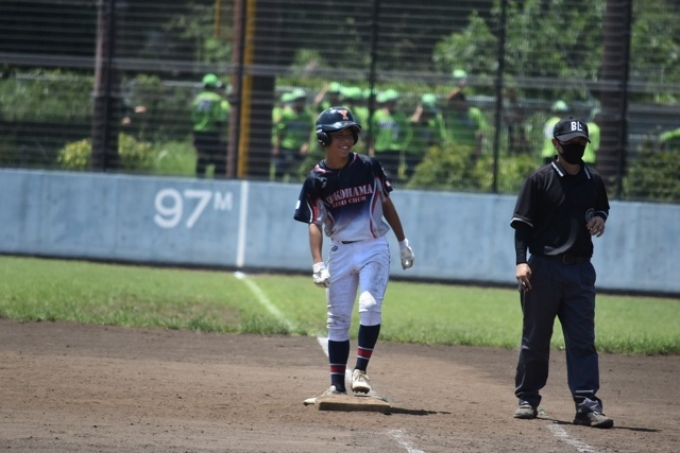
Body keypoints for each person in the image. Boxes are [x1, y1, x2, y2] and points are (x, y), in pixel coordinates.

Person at [293, 106, 415, 397]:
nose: (346, 140)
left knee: (370, 304)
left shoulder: (368, 166)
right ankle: (336, 385)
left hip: (374, 246)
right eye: (339, 135)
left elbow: (385, 203)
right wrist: (317, 263)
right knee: (337, 319)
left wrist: (402, 241)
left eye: (350, 134)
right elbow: (315, 222)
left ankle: (360, 370)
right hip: (341, 251)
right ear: (324, 138)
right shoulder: (316, 179)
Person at [510, 116, 613, 429]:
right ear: (556, 144)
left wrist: (600, 218)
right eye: (570, 142)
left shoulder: (593, 180)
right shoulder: (539, 180)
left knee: (583, 342)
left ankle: (587, 405)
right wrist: (521, 261)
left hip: (580, 271)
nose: (576, 147)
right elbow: (522, 227)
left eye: (581, 142)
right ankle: (528, 399)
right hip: (543, 268)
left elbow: (602, 207)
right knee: (535, 339)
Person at [191, 73, 229, 178]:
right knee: (218, 155)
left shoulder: (197, 98)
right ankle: (217, 179)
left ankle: (199, 178)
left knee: (201, 156)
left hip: (198, 131)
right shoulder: (216, 98)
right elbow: (218, 117)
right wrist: (220, 134)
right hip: (212, 131)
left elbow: (193, 116)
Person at [368, 89, 412, 181]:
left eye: (394, 101)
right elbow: (372, 133)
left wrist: (402, 145)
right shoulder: (377, 115)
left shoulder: (401, 116)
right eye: (390, 101)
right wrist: (371, 148)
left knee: (393, 175)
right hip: (380, 149)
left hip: (395, 150)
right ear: (386, 101)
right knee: (379, 175)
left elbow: (407, 133)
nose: (392, 104)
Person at [272, 88, 314, 181]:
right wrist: (276, 147)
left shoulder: (307, 115)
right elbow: (280, 132)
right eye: (299, 99)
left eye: (303, 99)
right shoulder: (286, 114)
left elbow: (308, 132)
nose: (301, 102)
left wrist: (306, 145)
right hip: (285, 147)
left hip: (298, 149)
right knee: (280, 173)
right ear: (294, 101)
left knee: (294, 174)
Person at [407, 93, 446, 179]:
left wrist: (432, 152)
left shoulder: (437, 118)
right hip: (412, 152)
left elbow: (440, 138)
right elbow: (413, 122)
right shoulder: (415, 117)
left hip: (427, 153)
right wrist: (418, 112)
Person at [442, 88, 487, 158]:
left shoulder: (475, 112)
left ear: (463, 101)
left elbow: (481, 131)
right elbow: (445, 100)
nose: (454, 105)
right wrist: (459, 88)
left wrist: (478, 147)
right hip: (452, 149)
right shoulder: (452, 112)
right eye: (453, 103)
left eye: (456, 102)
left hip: (469, 150)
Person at [541, 100, 570, 165]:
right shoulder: (560, 123)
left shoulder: (548, 122)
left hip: (547, 153)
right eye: (564, 112)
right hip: (555, 154)